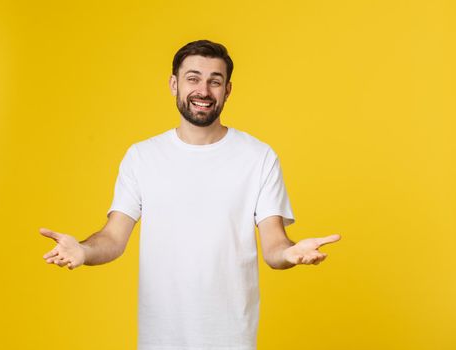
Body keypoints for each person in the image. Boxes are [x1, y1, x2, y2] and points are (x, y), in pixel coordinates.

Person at [40, 39, 341, 350]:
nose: (204, 91)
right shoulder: (142, 157)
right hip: (161, 339)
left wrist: (290, 253)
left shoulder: (258, 157)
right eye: (193, 78)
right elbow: (114, 238)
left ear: (228, 90)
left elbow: (274, 245)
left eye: (215, 81)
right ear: (174, 84)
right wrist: (84, 251)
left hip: (231, 339)